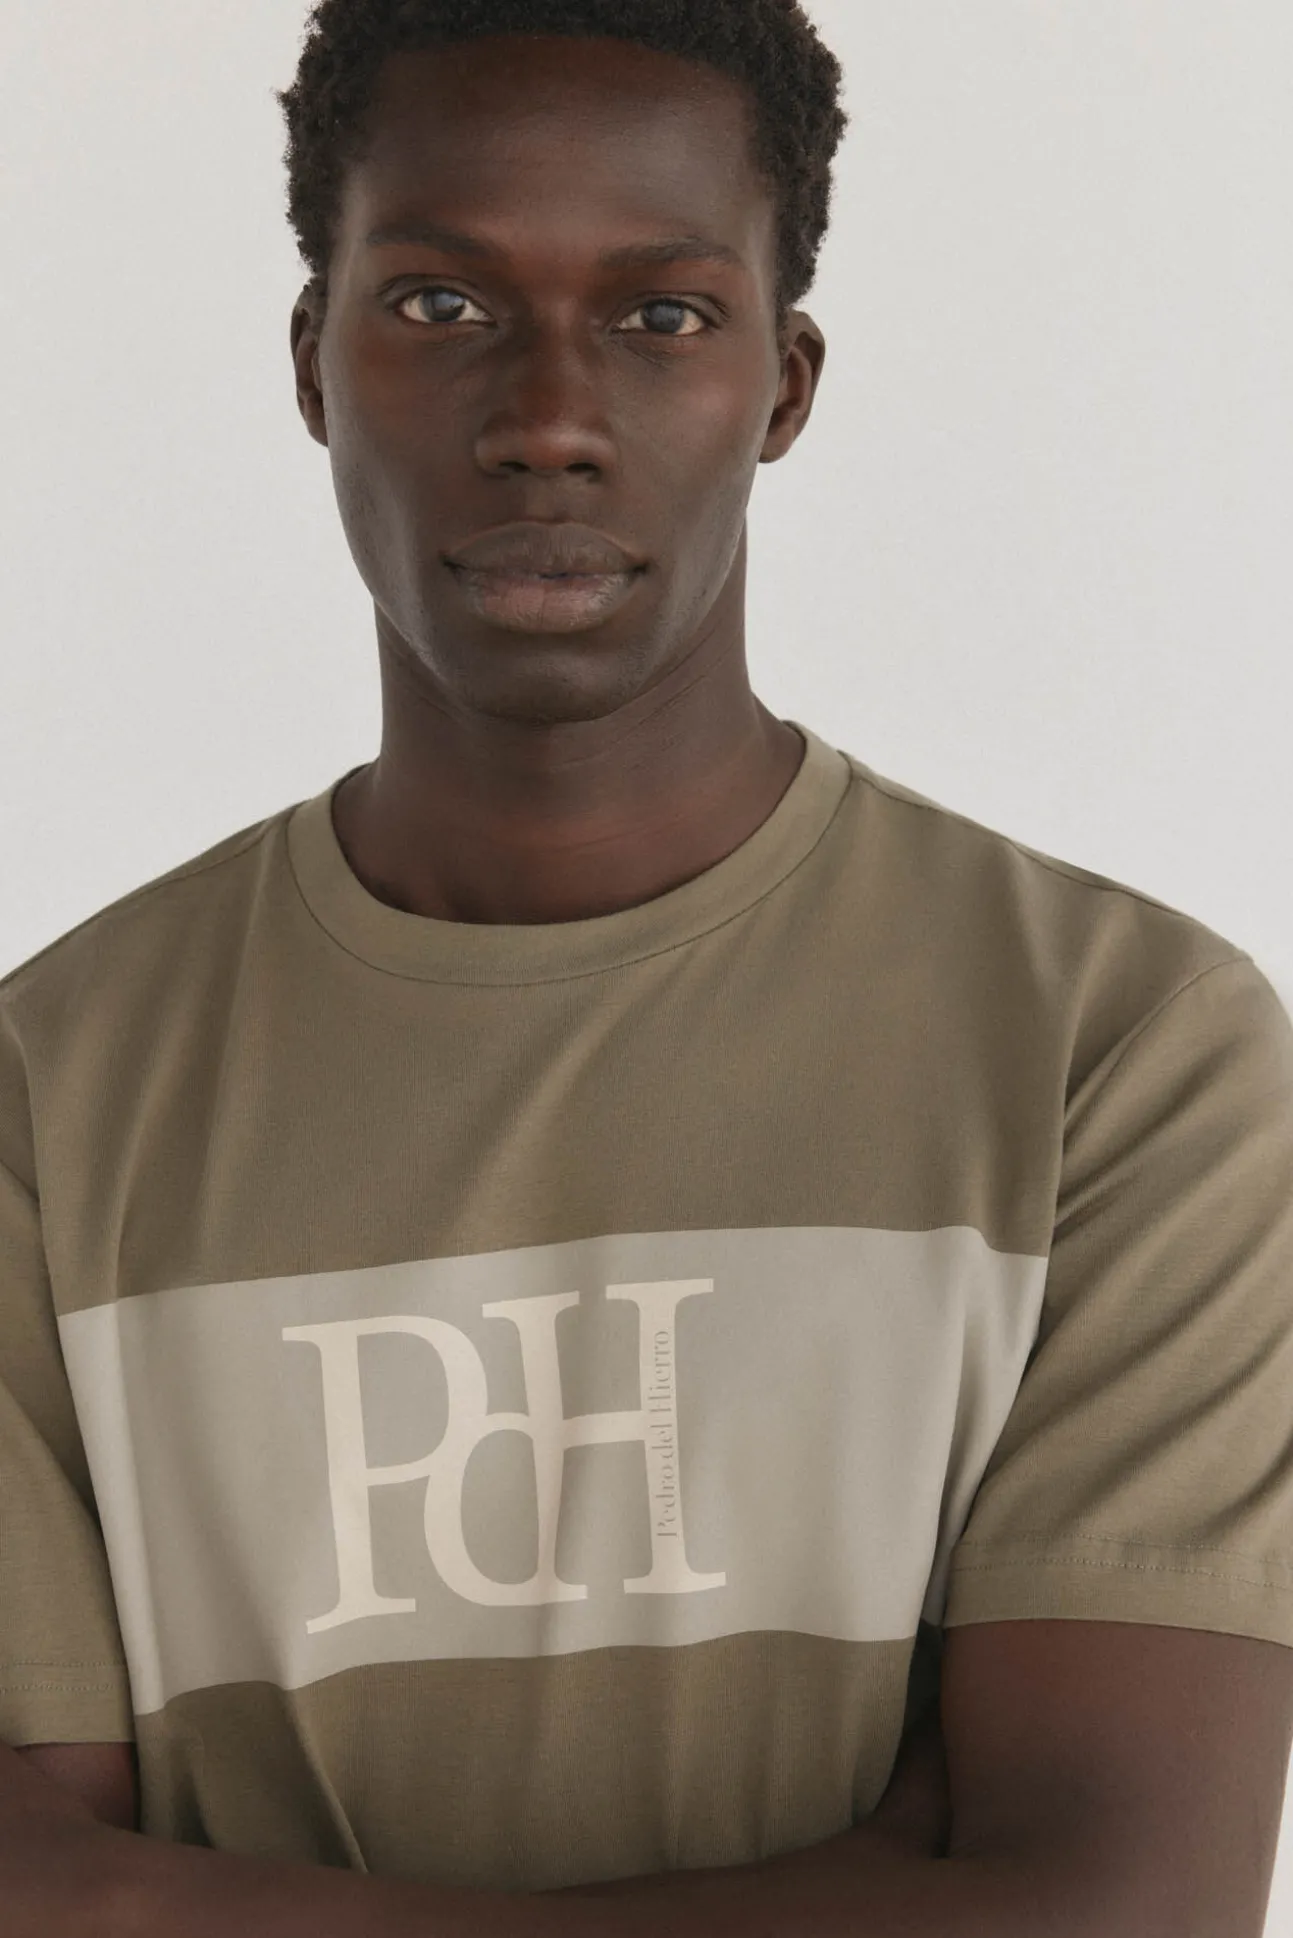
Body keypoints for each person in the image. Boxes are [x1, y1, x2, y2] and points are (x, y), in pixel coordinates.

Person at [3, 5, 1292, 1934]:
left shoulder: (1120, 1050)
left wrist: (147, 1901)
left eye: (663, 315)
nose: (547, 415)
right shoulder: (48, 1090)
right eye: (440, 305)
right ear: (311, 362)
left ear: (784, 384)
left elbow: (1127, 1907)